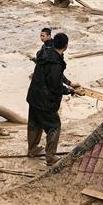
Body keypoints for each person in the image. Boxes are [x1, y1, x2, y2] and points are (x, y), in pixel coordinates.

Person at [26, 32, 79, 165]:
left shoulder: (45, 53)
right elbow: (55, 85)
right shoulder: (56, 62)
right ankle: (50, 156)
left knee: (34, 123)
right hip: (45, 100)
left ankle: (32, 149)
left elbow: (56, 75)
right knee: (54, 125)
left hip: (34, 96)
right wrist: (69, 91)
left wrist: (69, 83)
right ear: (66, 46)